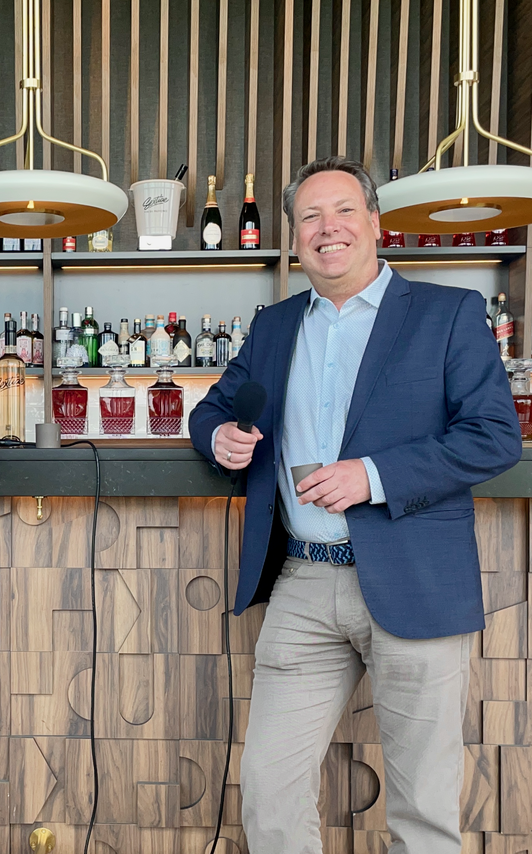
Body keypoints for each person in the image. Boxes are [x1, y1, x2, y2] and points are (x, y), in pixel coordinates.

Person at [189, 156, 522, 853]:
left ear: (374, 222)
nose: (327, 227)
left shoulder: (447, 313)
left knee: (422, 808)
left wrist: (372, 475)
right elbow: (213, 408)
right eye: (309, 216)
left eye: (343, 210)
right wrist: (219, 436)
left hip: (414, 577)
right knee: (269, 791)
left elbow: (493, 437)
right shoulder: (274, 325)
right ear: (294, 236)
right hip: (303, 583)